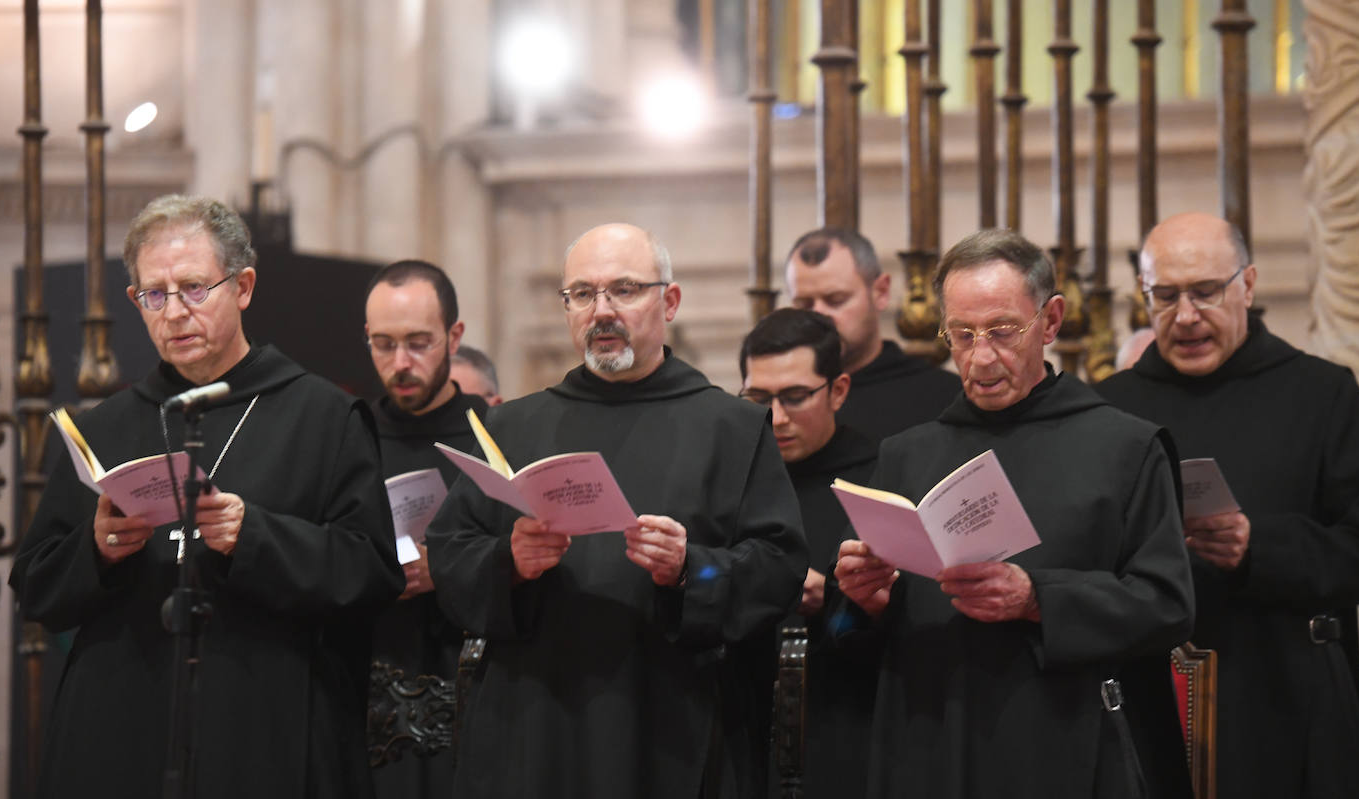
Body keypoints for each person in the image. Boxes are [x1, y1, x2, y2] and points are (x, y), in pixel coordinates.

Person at [10, 194, 403, 799]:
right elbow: (35, 587)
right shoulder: (102, 428)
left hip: (264, 722)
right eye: (153, 294)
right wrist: (97, 550)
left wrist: (257, 537)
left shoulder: (324, 416)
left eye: (194, 288)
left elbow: (372, 572)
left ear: (242, 286)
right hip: (118, 726)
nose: (173, 312)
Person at [426, 222, 807, 798]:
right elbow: (450, 555)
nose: (601, 311)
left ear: (669, 300)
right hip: (534, 722)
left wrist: (690, 568)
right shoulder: (512, 427)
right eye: (582, 294)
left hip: (672, 720)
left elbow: (778, 567)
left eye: (624, 289)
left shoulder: (732, 427)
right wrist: (509, 562)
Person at [832, 228, 1195, 799]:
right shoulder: (906, 454)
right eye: (961, 333)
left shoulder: (1124, 447)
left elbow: (1167, 605)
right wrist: (865, 604)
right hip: (928, 740)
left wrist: (1036, 599)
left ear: (1050, 321)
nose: (980, 357)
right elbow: (854, 636)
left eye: (1003, 331)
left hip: (1060, 740)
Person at [1097, 211, 1359, 799]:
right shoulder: (1106, 413)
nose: (1186, 315)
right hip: (1145, 700)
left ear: (1247, 285)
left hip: (1287, 697)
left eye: (1205, 292)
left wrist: (1257, 548)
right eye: (1164, 296)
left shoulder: (1323, 396)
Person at [739, 307, 878, 799]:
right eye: (757, 398)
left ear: (838, 390)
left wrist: (835, 600)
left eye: (795, 397)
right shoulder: (730, 477)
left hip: (844, 721)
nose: (775, 417)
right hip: (740, 721)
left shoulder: (881, 476)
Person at [364, 259, 489, 799]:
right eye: (383, 345)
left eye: (418, 343)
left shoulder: (496, 435)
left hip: (472, 689)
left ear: (454, 336)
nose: (401, 363)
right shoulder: (348, 436)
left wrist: (451, 566)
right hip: (366, 692)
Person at [785, 227, 961, 441]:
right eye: (804, 304)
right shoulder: (779, 403)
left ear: (880, 292)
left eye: (836, 300)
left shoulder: (944, 398)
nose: (819, 315)